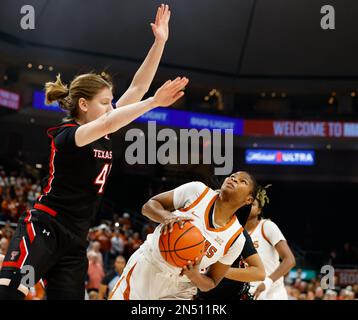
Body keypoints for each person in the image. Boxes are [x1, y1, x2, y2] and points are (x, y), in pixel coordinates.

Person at [0, 4, 189, 300]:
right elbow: (111, 120)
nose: (111, 107)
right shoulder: (69, 135)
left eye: (112, 101)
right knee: (9, 294)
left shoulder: (104, 127)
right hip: (45, 230)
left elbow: (138, 86)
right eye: (105, 101)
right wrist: (154, 103)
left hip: (76, 240)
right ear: (84, 105)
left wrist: (159, 42)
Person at [109, 171, 265, 300]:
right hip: (149, 265)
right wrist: (165, 216)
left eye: (242, 181)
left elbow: (211, 282)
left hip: (181, 288)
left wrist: (195, 275)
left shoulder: (236, 238)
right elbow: (148, 207)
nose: (234, 179)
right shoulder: (197, 192)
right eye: (233, 176)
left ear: (249, 199)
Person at [241, 185, 296, 300]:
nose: (248, 207)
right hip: (250, 294)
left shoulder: (267, 226)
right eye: (246, 204)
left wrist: (268, 282)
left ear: (259, 210)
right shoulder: (235, 231)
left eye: (253, 204)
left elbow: (290, 260)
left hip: (273, 293)